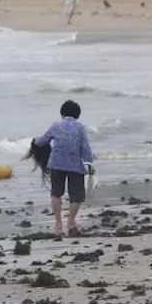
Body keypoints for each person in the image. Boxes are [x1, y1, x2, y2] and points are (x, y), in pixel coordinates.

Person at [33, 100, 94, 240]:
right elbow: (85, 148)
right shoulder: (80, 128)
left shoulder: (55, 126)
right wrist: (89, 162)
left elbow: (42, 141)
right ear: (78, 115)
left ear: (62, 113)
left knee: (56, 194)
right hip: (75, 166)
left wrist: (34, 142)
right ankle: (71, 222)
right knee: (76, 196)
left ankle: (58, 225)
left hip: (56, 164)